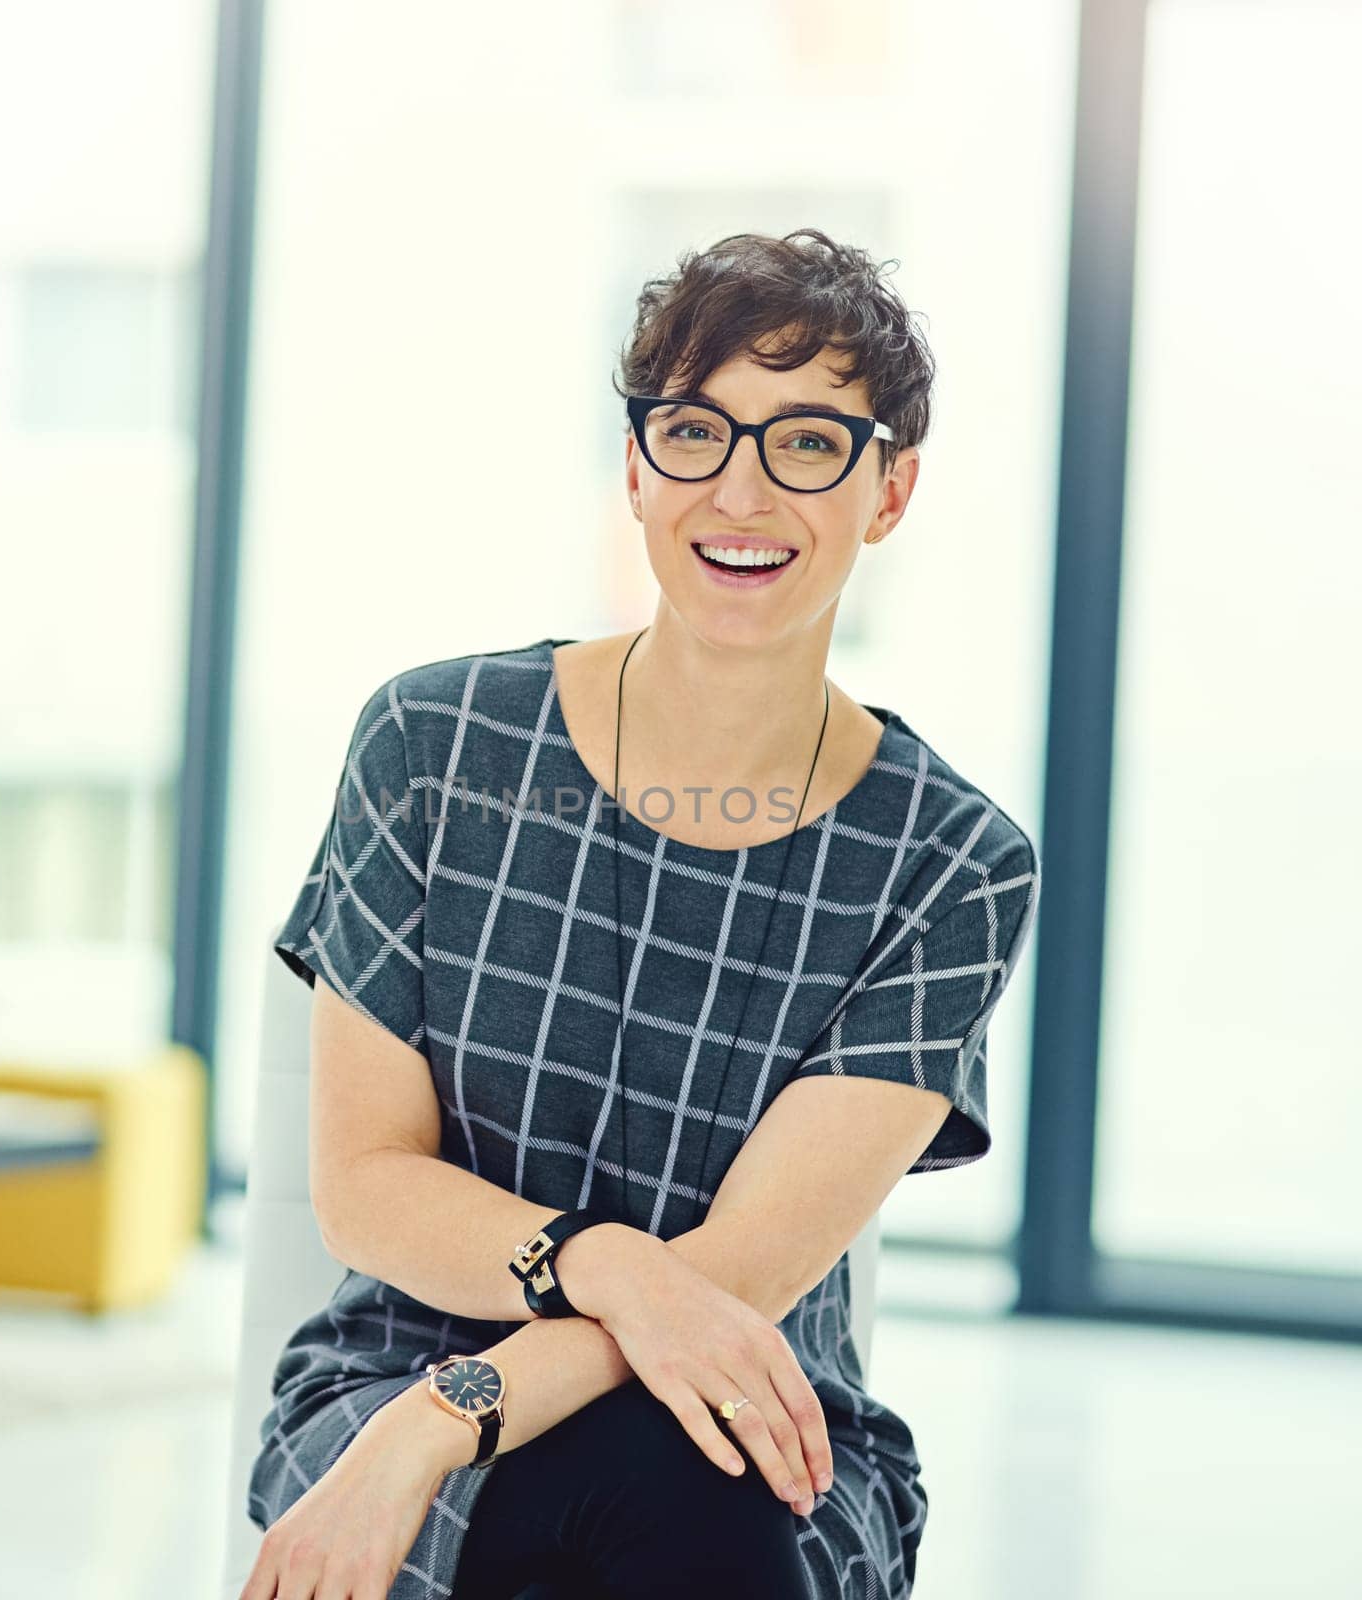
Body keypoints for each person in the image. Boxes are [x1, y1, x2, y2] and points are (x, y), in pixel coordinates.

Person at [242, 228, 1042, 1600]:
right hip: (400, 1358)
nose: (741, 490)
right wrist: (579, 1286)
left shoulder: (951, 861)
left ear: (890, 490)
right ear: (635, 467)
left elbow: (724, 1288)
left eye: (807, 444)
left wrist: (442, 1429)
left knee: (686, 1487)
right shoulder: (437, 745)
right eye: (695, 432)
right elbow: (366, 1184)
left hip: (755, 1402)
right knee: (644, 1520)